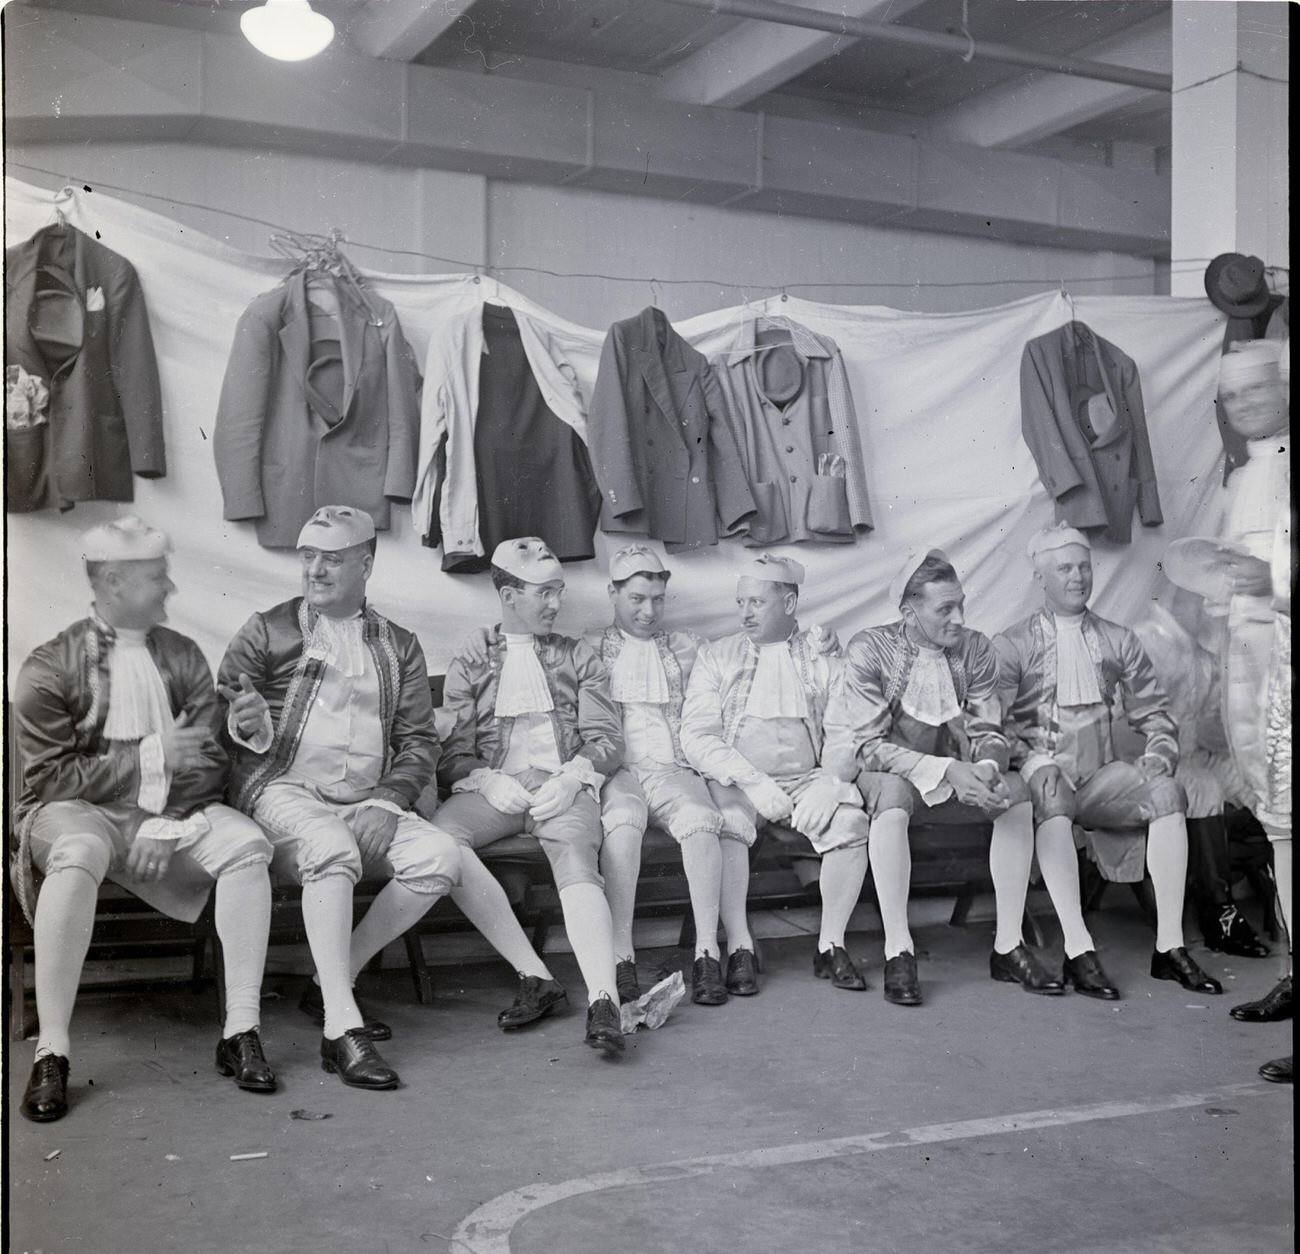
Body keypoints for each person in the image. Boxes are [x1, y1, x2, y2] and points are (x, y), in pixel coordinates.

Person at [219, 506, 559, 1090]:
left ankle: (328, 987)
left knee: (441, 856)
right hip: (282, 791)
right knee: (330, 846)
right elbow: (221, 715)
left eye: (332, 559)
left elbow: (418, 741)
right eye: (308, 557)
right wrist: (243, 724)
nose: (315, 570)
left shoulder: (399, 644)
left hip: (365, 799)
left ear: (366, 564)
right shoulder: (266, 630)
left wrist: (385, 802)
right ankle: (341, 1026)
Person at [12, 517, 277, 1122]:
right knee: (78, 852)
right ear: (113, 582)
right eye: (157, 578)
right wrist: (150, 758)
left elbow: (207, 761)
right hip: (77, 813)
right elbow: (50, 780)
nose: (170, 589)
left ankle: (240, 1029)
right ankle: (52, 1049)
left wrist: (163, 821)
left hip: (169, 814)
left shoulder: (182, 654)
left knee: (246, 845)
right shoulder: (48, 666)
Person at [995, 524, 1221, 1000]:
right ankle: (1078, 948)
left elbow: (1155, 715)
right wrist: (1032, 763)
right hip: (1045, 778)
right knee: (1053, 795)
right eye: (1064, 569)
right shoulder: (1012, 644)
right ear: (1040, 577)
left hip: (1099, 778)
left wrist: (1158, 756)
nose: (1077, 577)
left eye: (1083, 567)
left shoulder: (1118, 639)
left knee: (1167, 793)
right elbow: (995, 724)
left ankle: (1169, 946)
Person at [825, 549, 1056, 1006]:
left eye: (961, 605)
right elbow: (869, 746)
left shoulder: (976, 648)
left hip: (958, 775)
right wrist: (949, 769)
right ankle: (899, 949)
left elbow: (989, 730)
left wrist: (986, 770)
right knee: (893, 795)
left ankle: (1008, 945)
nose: (959, 618)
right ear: (909, 613)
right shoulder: (869, 648)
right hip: (890, 776)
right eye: (945, 609)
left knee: (1015, 790)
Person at [432, 537, 627, 1055]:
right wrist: (486, 779)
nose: (556, 604)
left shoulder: (576, 654)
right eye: (545, 593)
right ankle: (535, 975)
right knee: (441, 841)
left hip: (562, 786)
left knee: (578, 860)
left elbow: (607, 738)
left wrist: (574, 776)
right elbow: (454, 751)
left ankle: (604, 1000)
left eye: (559, 591)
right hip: (497, 790)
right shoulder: (474, 654)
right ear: (508, 595)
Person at [681, 555, 875, 1000]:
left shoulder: (823, 657)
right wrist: (751, 781)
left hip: (808, 779)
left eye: (757, 602)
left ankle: (831, 943)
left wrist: (831, 783)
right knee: (729, 825)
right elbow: (696, 735)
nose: (745, 613)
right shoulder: (718, 656)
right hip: (739, 782)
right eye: (740, 602)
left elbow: (846, 730)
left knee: (850, 823)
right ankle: (741, 946)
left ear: (789, 603)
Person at [587, 544, 755, 1006]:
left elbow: (744, 660)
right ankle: (621, 954)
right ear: (613, 594)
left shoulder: (687, 647)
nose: (648, 611)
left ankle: (707, 952)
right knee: (623, 824)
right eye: (637, 599)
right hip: (618, 771)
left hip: (673, 768)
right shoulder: (589, 648)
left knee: (701, 819)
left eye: (657, 599)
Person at [1211, 341, 1291, 1082]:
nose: (1243, 406)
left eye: (1255, 390)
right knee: (1280, 829)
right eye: (1231, 396)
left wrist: (1271, 582)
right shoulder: (1242, 477)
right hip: (1255, 676)